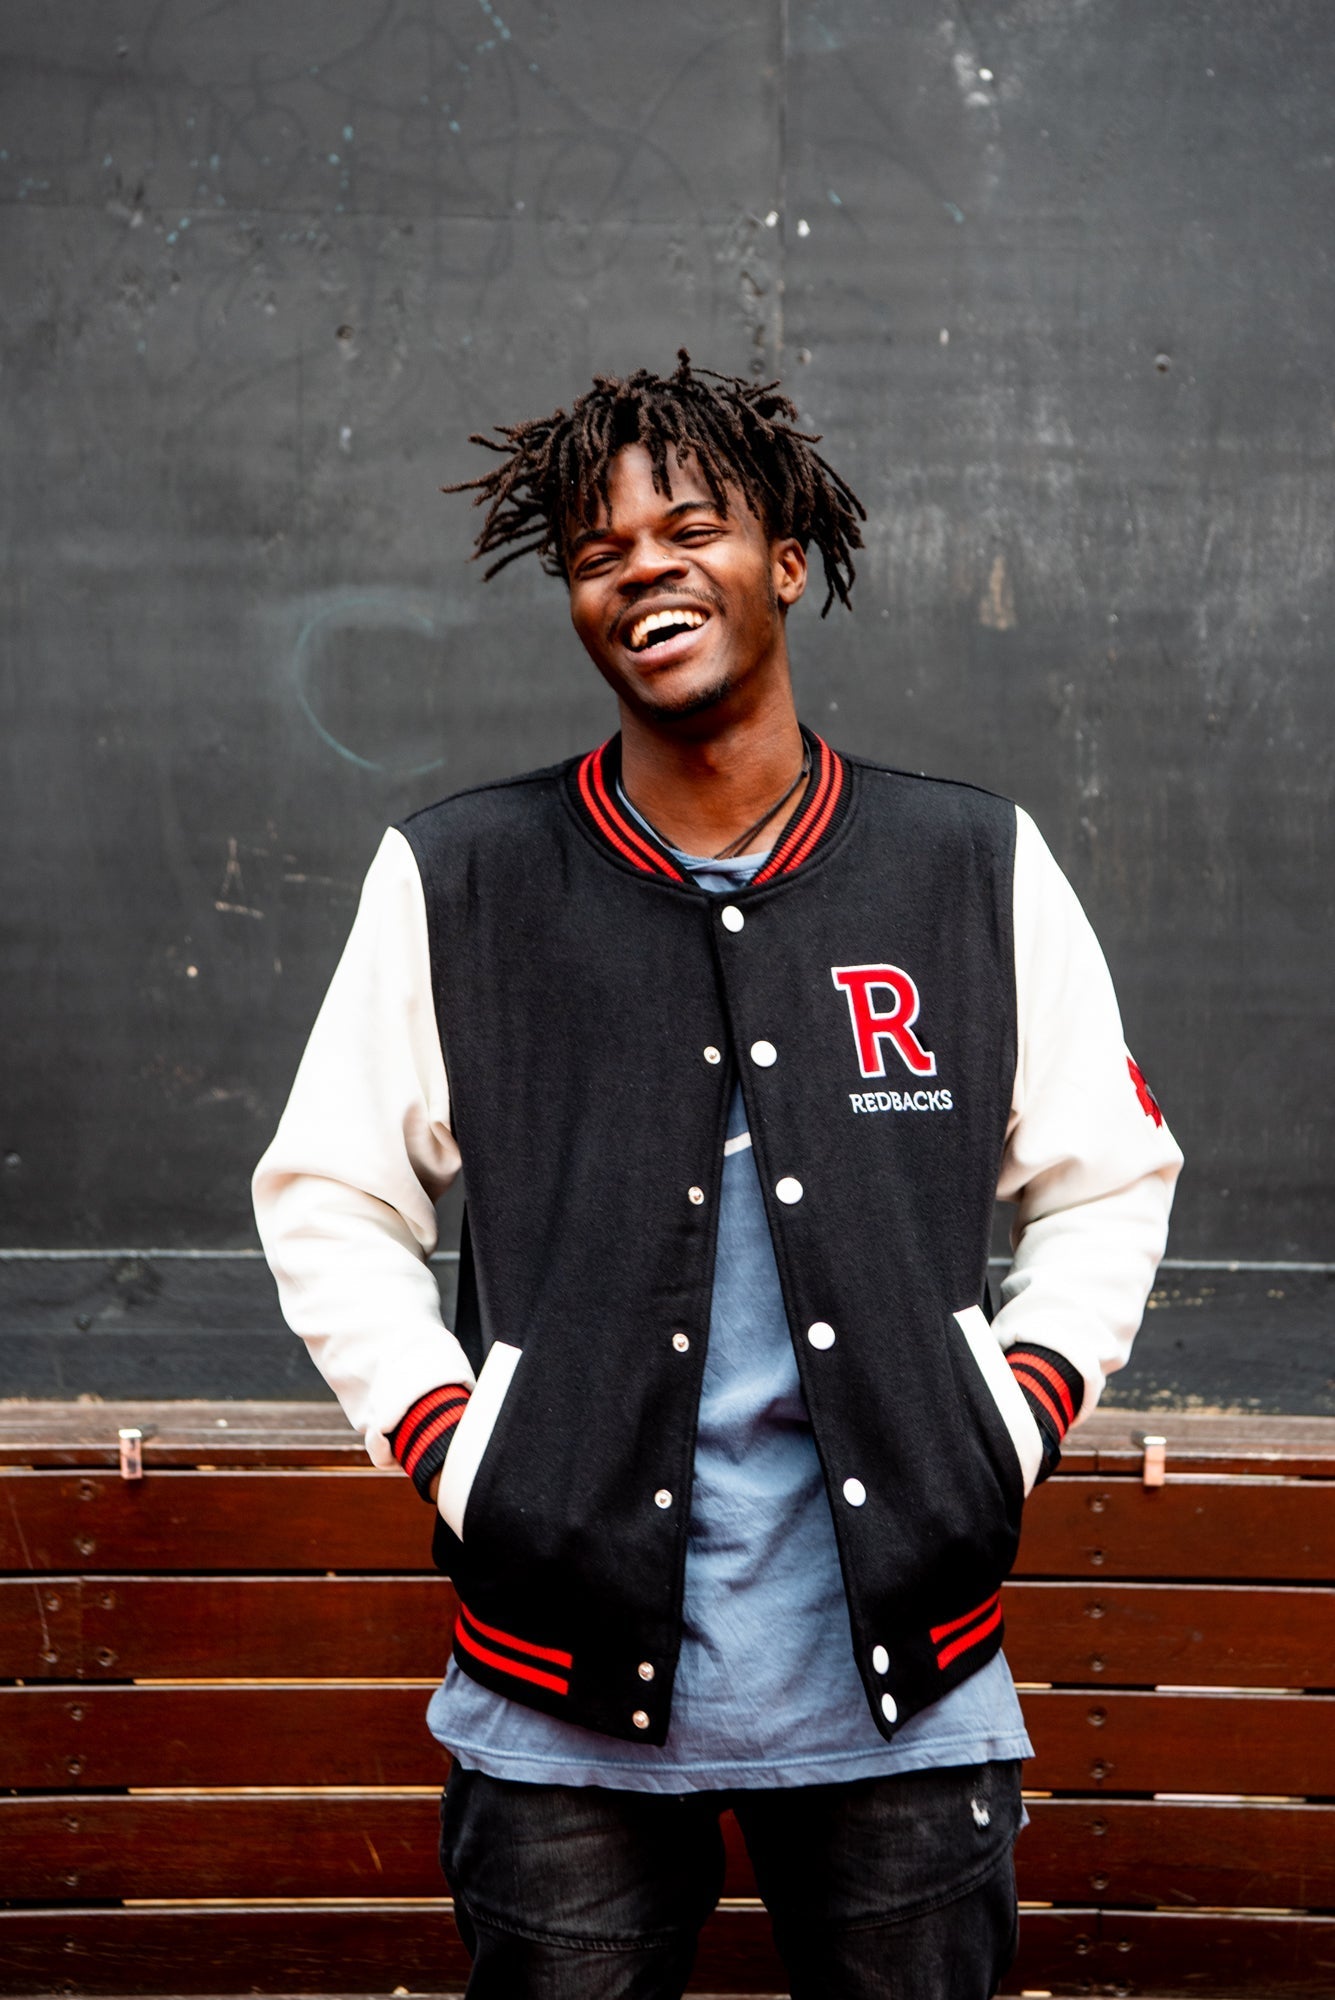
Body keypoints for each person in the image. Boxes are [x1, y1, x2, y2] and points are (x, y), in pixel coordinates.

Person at [253, 352, 1182, 1999]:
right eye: (601, 552)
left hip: (911, 1688)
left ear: (789, 563)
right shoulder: (459, 879)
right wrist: (465, 1452)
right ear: (574, 602)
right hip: (558, 1704)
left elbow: (1110, 1177)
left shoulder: (969, 864)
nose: (644, 569)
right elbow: (330, 1196)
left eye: (692, 527)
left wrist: (1013, 1410)